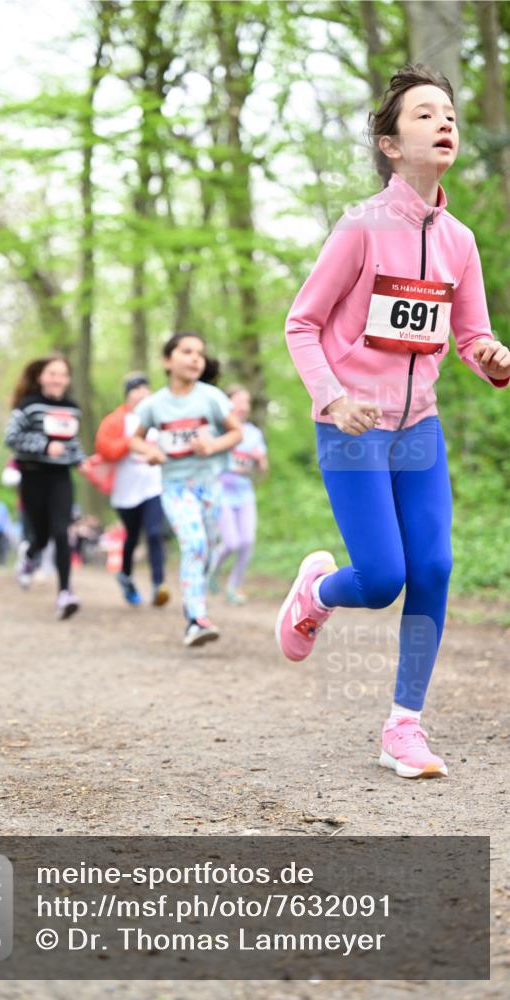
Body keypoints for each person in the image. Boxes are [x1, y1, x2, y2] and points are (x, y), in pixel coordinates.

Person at [276, 65, 510, 779]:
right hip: (351, 426)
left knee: (433, 566)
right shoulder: (361, 227)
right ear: (387, 143)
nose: (443, 124)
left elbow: (470, 336)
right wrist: (331, 397)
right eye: (423, 115)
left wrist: (493, 358)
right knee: (380, 579)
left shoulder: (458, 241)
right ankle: (316, 592)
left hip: (419, 428)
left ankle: (402, 726)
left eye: (448, 115)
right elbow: (302, 323)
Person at [131, 333, 242, 647]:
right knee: (193, 545)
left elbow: (235, 433)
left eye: (200, 353)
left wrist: (212, 445)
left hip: (209, 485)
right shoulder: (154, 405)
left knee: (208, 548)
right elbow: (135, 439)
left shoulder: (211, 397)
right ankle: (197, 618)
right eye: (187, 352)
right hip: (176, 487)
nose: (195, 358)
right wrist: (148, 451)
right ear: (168, 360)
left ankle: (194, 600)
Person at [4, 353, 86, 619]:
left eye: (62, 374)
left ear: (68, 379)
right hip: (33, 475)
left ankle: (65, 592)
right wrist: (44, 445)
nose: (57, 379)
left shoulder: (73, 408)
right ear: (40, 377)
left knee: (62, 531)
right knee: (41, 534)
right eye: (52, 373)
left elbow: (72, 443)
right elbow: (11, 438)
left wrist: (82, 461)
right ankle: (30, 553)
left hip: (61, 476)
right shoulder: (28, 407)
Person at [95, 372, 169, 607]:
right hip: (126, 492)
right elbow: (104, 449)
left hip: (153, 487)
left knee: (155, 533)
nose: (141, 394)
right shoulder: (115, 420)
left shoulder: (159, 417)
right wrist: (130, 443)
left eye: (145, 389)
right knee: (132, 537)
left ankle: (159, 585)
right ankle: (125, 576)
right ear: (127, 395)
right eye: (136, 390)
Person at [210, 385, 268, 604]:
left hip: (244, 493)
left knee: (247, 541)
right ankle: (211, 572)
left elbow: (263, 467)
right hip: (221, 491)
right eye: (240, 401)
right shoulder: (219, 429)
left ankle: (234, 587)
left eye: (247, 402)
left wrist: (259, 460)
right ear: (228, 403)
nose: (244, 406)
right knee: (231, 542)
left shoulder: (253, 433)